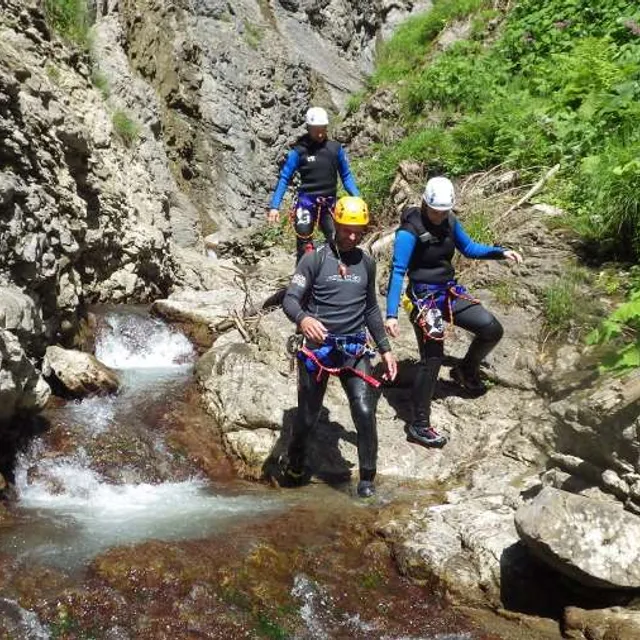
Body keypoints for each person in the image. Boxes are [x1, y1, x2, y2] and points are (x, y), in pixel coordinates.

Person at [384, 176, 523, 448]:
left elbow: (469, 248)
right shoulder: (408, 231)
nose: (439, 215)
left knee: (491, 329)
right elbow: (398, 272)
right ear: (425, 203)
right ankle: (418, 425)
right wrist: (391, 314)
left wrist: (500, 252)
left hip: (447, 292)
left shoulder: (449, 221)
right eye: (436, 210)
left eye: (444, 210)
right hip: (422, 297)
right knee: (432, 357)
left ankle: (465, 370)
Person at [282, 196, 397, 497]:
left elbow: (371, 308)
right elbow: (290, 299)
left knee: (363, 409)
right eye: (346, 229)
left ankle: (367, 479)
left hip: (354, 349)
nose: (352, 236)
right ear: (335, 223)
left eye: (358, 231)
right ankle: (294, 463)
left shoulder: (367, 263)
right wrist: (304, 319)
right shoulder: (314, 258)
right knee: (307, 416)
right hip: (317, 350)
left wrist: (384, 348)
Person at [267, 107, 360, 263]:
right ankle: (302, 280)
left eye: (322, 129)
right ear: (308, 128)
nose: (320, 134)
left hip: (329, 203)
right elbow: (284, 178)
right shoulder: (299, 151)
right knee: (304, 242)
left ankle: (333, 276)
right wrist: (275, 207)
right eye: (316, 130)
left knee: (335, 238)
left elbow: (346, 176)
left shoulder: (335, 149)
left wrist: (357, 197)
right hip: (306, 202)